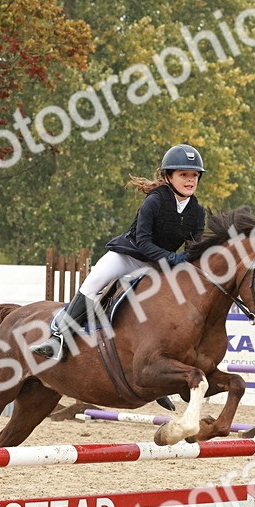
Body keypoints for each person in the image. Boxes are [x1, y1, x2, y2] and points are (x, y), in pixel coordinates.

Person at [30, 144, 207, 365]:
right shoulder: (155, 201)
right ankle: (57, 338)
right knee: (94, 282)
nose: (190, 180)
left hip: (156, 267)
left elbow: (193, 249)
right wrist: (172, 258)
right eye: (184, 175)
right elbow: (143, 242)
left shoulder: (198, 212)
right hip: (128, 257)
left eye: (194, 175)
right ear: (168, 177)